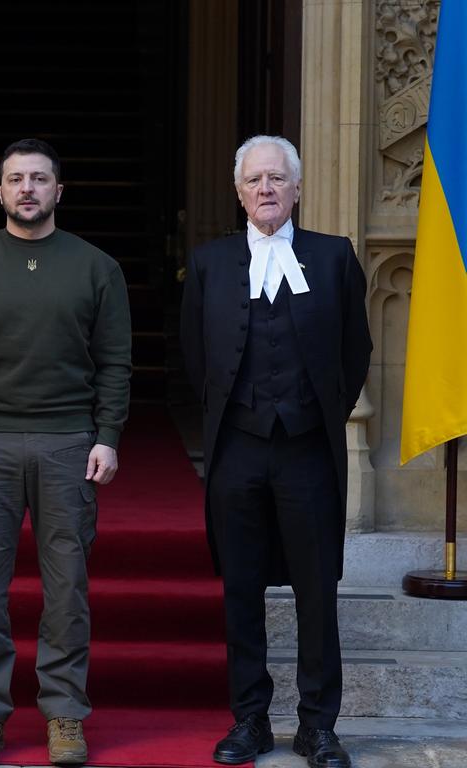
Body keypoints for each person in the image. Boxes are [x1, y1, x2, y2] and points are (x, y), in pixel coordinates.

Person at [0, 138, 132, 765]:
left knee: (66, 587)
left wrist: (108, 436)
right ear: (0, 192)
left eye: (39, 179)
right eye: (16, 179)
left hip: (69, 442)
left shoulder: (97, 267)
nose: (27, 189)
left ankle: (65, 715)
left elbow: (115, 362)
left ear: (58, 191)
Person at [180, 135, 371, 768]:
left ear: (297, 189)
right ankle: (250, 719)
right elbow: (193, 356)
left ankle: (318, 725)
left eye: (277, 179)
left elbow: (356, 350)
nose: (266, 189)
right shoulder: (209, 263)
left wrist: (321, 416)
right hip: (237, 450)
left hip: (308, 452)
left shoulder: (334, 257)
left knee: (317, 590)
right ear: (238, 192)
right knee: (241, 588)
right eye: (255, 180)